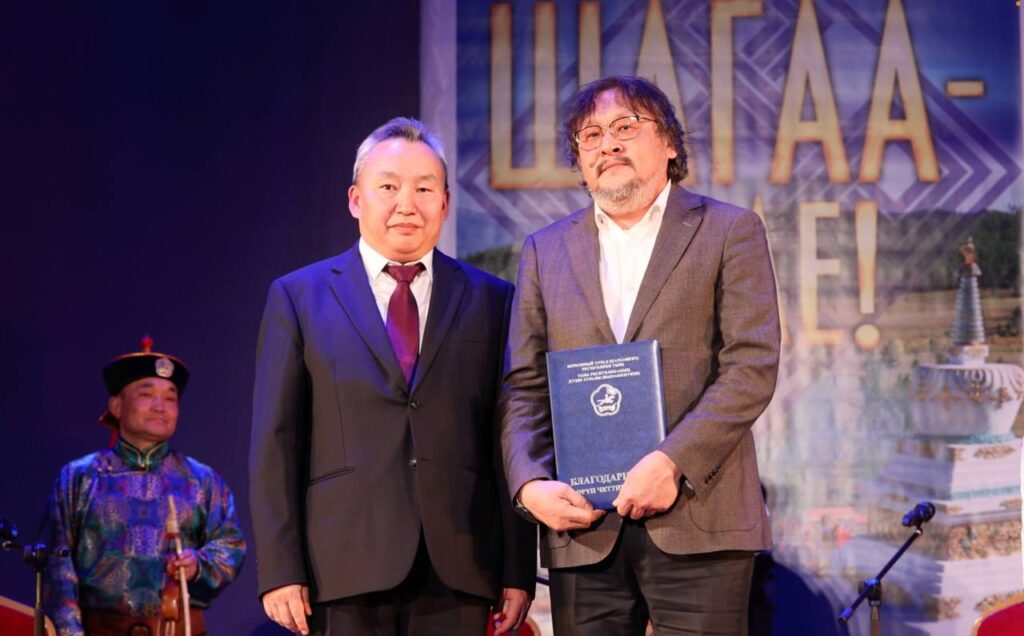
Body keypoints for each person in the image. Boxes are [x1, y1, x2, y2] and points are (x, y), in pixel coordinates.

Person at [501, 75, 781, 635]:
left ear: (671, 143)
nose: (607, 145)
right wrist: (530, 485)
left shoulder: (729, 230)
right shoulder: (544, 250)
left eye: (625, 127)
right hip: (584, 531)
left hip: (699, 519)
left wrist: (672, 461)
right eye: (590, 136)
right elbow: (524, 388)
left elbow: (751, 365)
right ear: (580, 162)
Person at [249, 117, 536, 636]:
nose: (407, 204)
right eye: (388, 187)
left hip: (461, 563)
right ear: (355, 199)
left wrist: (517, 569)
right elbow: (276, 442)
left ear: (445, 203)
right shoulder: (299, 296)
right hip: (341, 566)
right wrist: (280, 569)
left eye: (424, 189)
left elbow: (508, 435)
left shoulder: (493, 299)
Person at [43, 336, 247, 636]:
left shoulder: (203, 480)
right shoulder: (79, 477)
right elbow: (57, 565)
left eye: (170, 398)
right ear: (116, 406)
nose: (160, 406)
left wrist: (198, 565)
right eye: (147, 394)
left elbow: (231, 545)